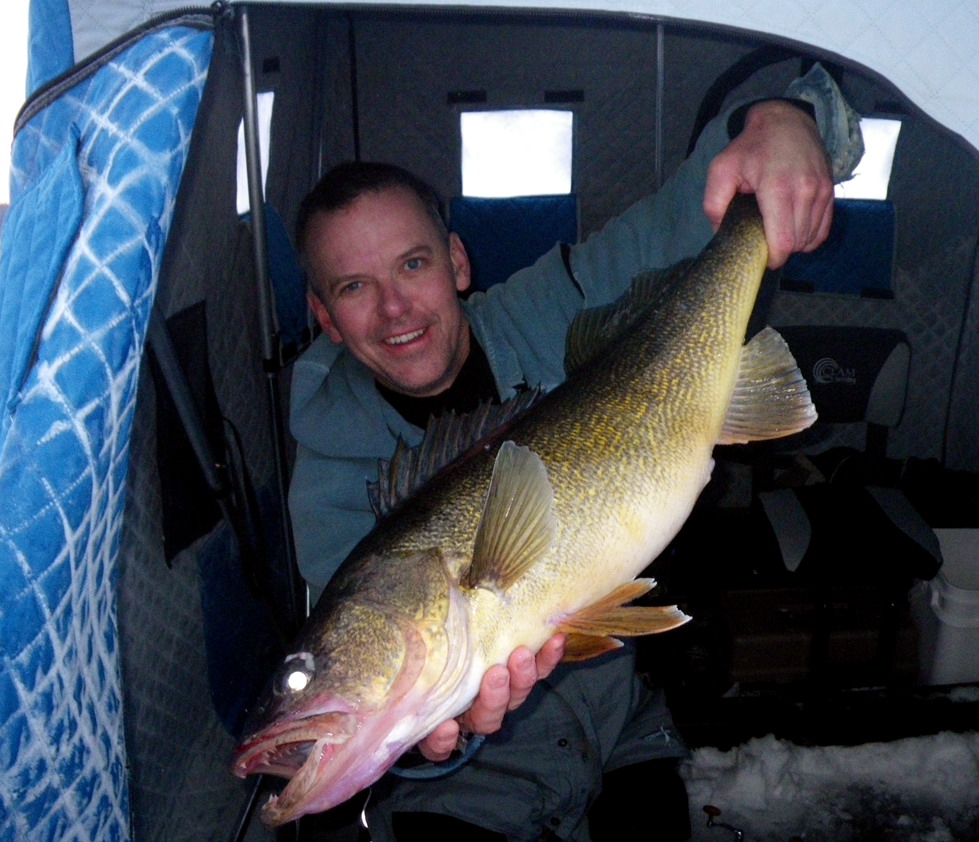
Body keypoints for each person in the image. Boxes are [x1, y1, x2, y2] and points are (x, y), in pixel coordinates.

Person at [287, 64, 862, 841]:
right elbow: (400, 724)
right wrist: (426, 752)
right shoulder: (328, 480)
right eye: (353, 287)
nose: (394, 308)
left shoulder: (547, 306)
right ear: (324, 316)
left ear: (457, 262)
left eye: (413, 264)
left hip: (619, 721)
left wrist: (779, 117)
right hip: (473, 788)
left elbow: (691, 211)